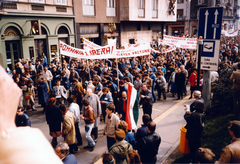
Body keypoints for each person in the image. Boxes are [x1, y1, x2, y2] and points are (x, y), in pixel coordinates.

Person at [0, 65, 62, 164]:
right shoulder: (32, 137)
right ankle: (54, 140)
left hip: (52, 124)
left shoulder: (48, 107)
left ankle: (54, 140)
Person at [184, 91, 206, 163]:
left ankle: (194, 161)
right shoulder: (202, 113)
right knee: (198, 147)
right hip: (199, 134)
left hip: (192, 135)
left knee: (192, 149)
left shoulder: (195, 115)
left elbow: (186, 117)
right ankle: (199, 160)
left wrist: (187, 110)